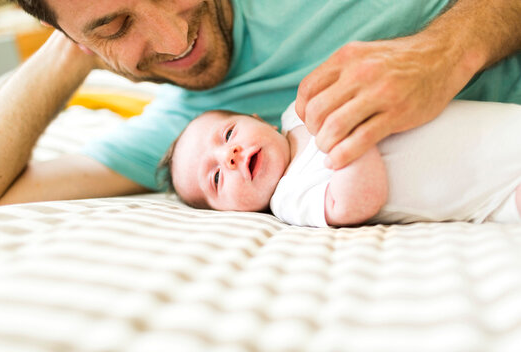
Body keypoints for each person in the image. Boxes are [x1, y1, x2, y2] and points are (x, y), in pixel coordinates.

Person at [0, 0, 521, 207]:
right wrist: (70, 49)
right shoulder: (188, 136)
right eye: (116, 25)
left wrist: (446, 51)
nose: (175, 41)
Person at [161, 100, 521, 227]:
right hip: (495, 192)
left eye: (228, 135)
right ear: (228, 213)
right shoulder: (289, 198)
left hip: (497, 124)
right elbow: (358, 200)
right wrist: (347, 137)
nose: (230, 155)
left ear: (260, 120)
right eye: (217, 178)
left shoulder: (299, 112)